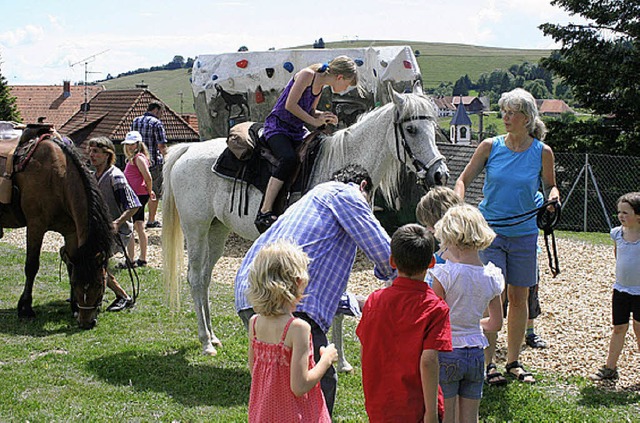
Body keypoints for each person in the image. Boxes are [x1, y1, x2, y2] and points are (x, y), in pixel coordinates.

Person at [235, 163, 395, 416]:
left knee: (276, 386)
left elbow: (318, 290)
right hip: (292, 309)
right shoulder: (346, 193)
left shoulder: (314, 200)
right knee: (320, 385)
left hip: (253, 292)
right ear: (364, 186)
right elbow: (388, 256)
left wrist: (360, 303)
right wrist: (411, 284)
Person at [454, 87, 560, 384]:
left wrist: (554, 199)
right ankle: (487, 364)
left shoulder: (543, 152)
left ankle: (513, 361)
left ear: (527, 118)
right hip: (490, 233)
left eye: (511, 113)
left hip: (525, 233)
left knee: (519, 295)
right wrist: (458, 203)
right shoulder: (490, 146)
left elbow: (551, 185)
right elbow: (463, 179)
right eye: (504, 112)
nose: (505, 117)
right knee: (493, 295)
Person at [357, 224, 452, 423]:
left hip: (380, 404)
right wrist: (431, 413)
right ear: (432, 262)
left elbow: (366, 345)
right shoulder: (435, 308)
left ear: (392, 261)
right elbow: (428, 361)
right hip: (416, 408)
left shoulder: (374, 301)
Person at [255, 56, 359, 231]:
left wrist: (322, 116)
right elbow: (290, 105)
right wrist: (314, 121)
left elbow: (308, 110)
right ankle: (265, 210)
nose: (345, 89)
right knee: (288, 159)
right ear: (340, 77)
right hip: (278, 127)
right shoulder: (306, 75)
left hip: (296, 130)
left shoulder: (320, 84)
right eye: (347, 84)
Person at [246, 239, 336, 422]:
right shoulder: (297, 329)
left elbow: (253, 369)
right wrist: (326, 360)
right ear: (298, 282)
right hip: (297, 415)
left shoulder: (254, 323)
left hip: (264, 415)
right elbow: (300, 386)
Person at [429, 205, 504, 423]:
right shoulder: (492, 276)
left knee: (448, 415)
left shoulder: (444, 274)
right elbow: (496, 323)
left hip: (448, 352)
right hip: (476, 354)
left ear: (451, 238)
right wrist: (472, 322)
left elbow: (435, 320)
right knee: (471, 417)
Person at [590, 192, 640, 381]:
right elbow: (618, 256)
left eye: (626, 213)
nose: (621, 216)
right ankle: (610, 368)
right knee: (618, 328)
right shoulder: (617, 234)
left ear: (638, 215)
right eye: (620, 212)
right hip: (621, 290)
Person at [88, 137, 141, 312]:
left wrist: (118, 222)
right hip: (98, 231)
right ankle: (86, 292)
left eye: (96, 151)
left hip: (119, 232)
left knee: (97, 262)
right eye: (90, 151)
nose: (91, 155)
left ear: (107, 155)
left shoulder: (115, 177)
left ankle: (123, 296)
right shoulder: (92, 176)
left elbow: (133, 205)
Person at [131, 102, 167, 229]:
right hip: (153, 162)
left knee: (136, 191)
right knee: (154, 192)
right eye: (161, 113)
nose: (161, 116)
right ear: (156, 110)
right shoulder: (156, 123)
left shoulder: (135, 121)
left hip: (136, 162)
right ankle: (151, 220)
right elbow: (161, 145)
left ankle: (135, 219)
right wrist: (167, 158)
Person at [122, 130, 155, 267]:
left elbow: (147, 177)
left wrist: (150, 190)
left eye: (132, 144)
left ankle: (131, 259)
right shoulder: (135, 158)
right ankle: (141, 258)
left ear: (138, 144)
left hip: (137, 195)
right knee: (139, 225)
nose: (130, 146)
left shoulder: (138, 158)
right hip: (137, 194)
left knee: (132, 226)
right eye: (128, 144)